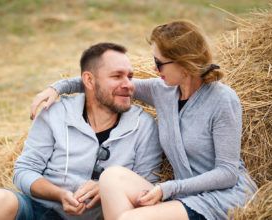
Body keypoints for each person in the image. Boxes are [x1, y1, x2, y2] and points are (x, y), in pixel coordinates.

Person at [30, 20, 258, 220]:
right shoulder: (164, 91)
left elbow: (227, 173)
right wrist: (57, 88)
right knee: (111, 177)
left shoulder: (223, 99)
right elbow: (105, 85)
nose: (154, 68)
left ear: (183, 62)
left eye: (160, 63)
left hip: (222, 199)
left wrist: (168, 188)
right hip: (183, 196)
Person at [0, 42, 163, 220]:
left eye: (130, 76)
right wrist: (60, 194)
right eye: (116, 76)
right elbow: (24, 171)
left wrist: (109, 188)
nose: (129, 85)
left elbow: (148, 186)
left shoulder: (144, 125)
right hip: (44, 211)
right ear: (88, 80)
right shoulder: (54, 113)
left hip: (101, 216)